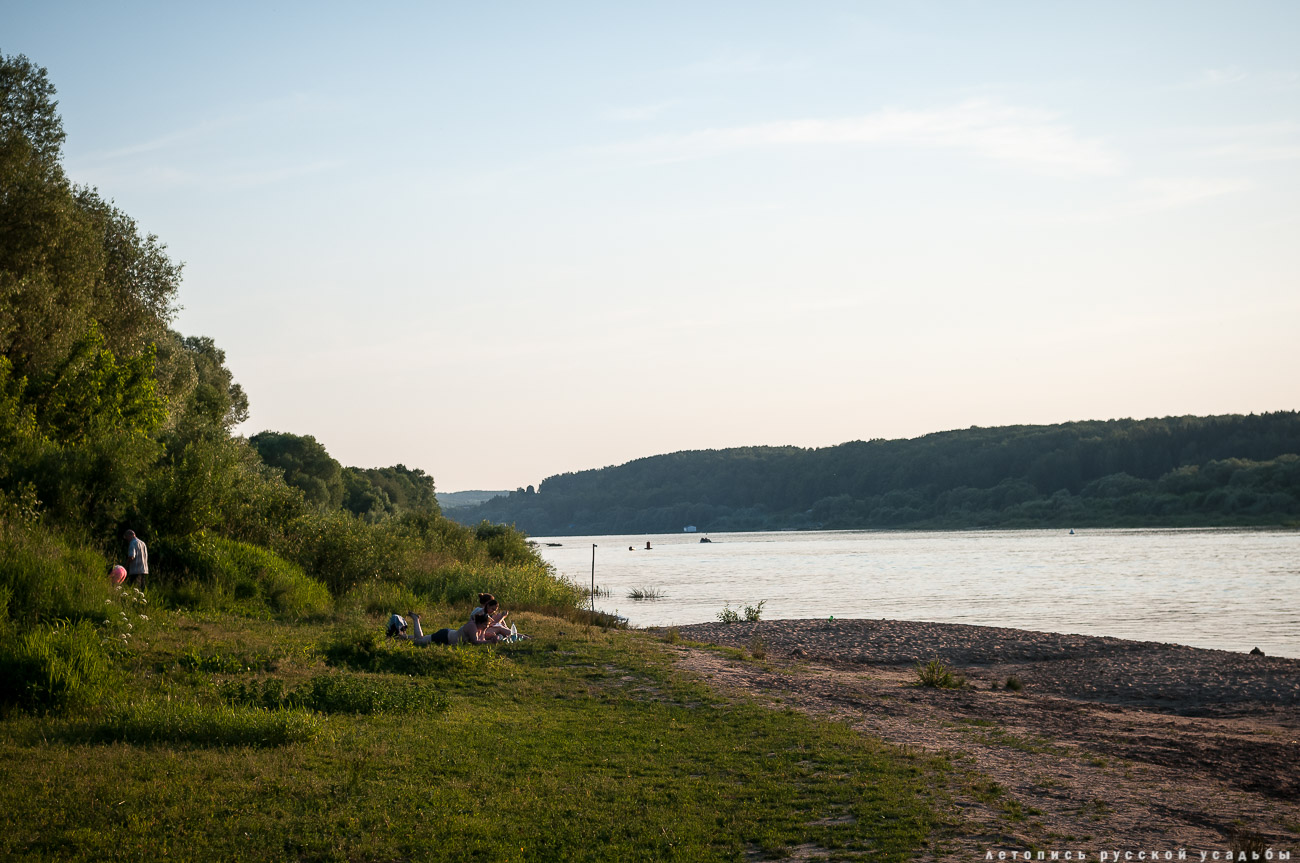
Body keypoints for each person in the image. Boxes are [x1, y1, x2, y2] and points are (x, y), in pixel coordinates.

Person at [406, 611, 495, 646]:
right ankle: (416, 619)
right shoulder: (472, 626)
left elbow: (481, 639)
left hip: (448, 635)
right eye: (485, 625)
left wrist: (489, 636)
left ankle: (403, 636)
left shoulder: (478, 627)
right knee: (418, 641)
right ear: (480, 623)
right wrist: (490, 641)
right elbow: (475, 642)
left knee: (424, 638)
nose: (486, 627)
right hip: (444, 636)